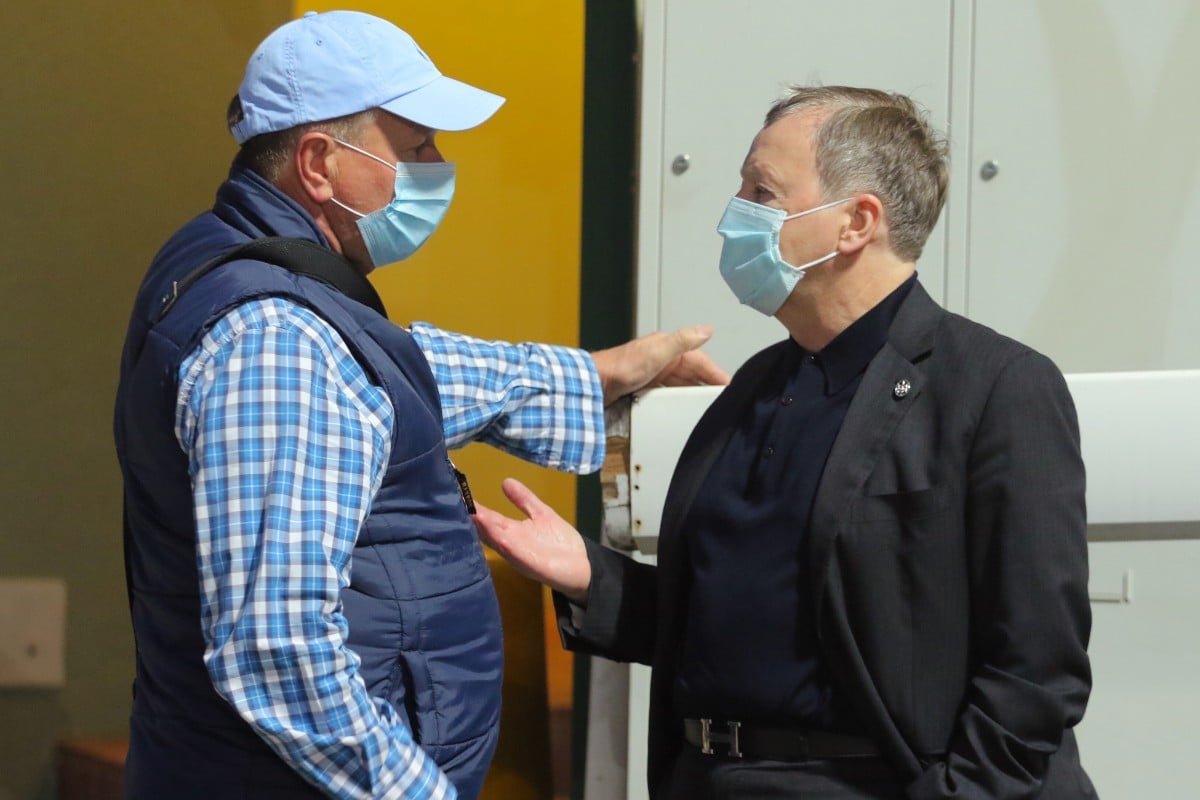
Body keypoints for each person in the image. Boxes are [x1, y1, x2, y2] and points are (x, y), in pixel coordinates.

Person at [112, 10, 726, 800]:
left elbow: (390, 367)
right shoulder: (274, 341)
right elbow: (277, 650)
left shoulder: (231, 260)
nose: (438, 168)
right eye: (415, 148)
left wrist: (603, 375)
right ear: (319, 163)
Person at [474, 85, 1095, 799]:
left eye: (760, 192)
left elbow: (1036, 668)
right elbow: (731, 623)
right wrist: (592, 576)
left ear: (856, 222)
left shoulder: (994, 388)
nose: (732, 215)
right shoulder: (755, 386)